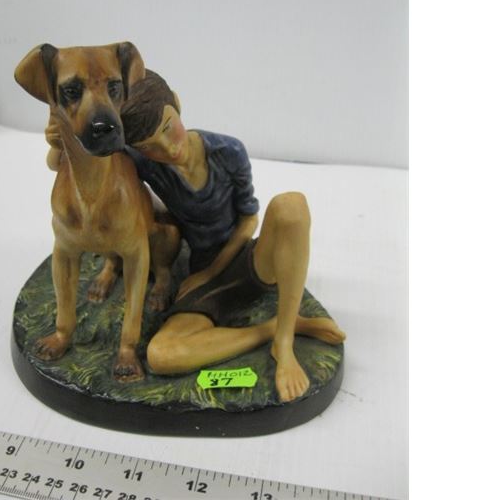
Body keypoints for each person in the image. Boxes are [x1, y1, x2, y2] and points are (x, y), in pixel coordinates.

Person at [119, 71, 345, 402]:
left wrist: (213, 270)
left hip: (247, 260)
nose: (167, 148)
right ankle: (271, 329)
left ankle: (283, 343)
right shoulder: (146, 163)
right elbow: (86, 159)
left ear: (177, 104)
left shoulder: (227, 151)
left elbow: (249, 217)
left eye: (168, 128)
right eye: (150, 147)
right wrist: (59, 133)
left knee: (291, 205)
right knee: (161, 355)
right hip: (204, 279)